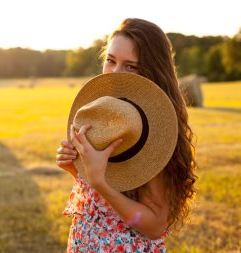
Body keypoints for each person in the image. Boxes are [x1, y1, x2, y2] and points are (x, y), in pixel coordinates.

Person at [56, 18, 197, 252]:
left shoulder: (153, 130)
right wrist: (77, 169)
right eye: (110, 61)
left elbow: (155, 226)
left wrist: (99, 182)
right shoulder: (107, 114)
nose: (115, 72)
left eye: (130, 66)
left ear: (152, 70)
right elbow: (113, 191)